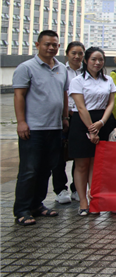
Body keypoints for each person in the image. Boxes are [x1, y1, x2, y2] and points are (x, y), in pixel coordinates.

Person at [12, 30, 70, 226]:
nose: (51, 47)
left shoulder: (61, 68)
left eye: (55, 44)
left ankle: (37, 205)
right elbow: (19, 95)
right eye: (47, 44)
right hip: (33, 128)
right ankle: (22, 210)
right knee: (29, 170)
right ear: (37, 45)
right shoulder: (26, 68)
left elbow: (63, 94)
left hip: (54, 127)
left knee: (46, 169)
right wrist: (21, 122)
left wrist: (64, 118)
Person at [69, 46, 116, 216]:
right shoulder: (77, 80)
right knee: (82, 164)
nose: (97, 63)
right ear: (86, 61)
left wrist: (101, 123)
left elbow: (111, 103)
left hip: (102, 121)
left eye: (100, 59)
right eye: (93, 59)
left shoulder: (108, 80)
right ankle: (83, 202)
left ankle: (94, 199)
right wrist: (92, 130)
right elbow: (81, 107)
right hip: (82, 122)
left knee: (96, 165)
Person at [52, 40, 84, 205]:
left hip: (81, 116)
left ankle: (76, 188)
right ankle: (60, 189)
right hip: (65, 116)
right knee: (59, 154)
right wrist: (65, 116)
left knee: (78, 154)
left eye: (80, 53)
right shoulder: (60, 71)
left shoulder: (86, 71)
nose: (77, 56)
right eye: (73, 53)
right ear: (67, 54)